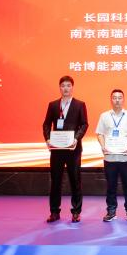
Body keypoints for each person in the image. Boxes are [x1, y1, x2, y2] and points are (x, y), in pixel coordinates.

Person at [42, 76, 88, 223]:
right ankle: (54, 212)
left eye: (68, 85)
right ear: (60, 88)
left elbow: (84, 124)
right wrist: (48, 139)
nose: (66, 88)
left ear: (72, 87)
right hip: (57, 149)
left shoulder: (80, 104)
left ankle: (76, 212)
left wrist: (76, 139)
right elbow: (46, 124)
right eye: (63, 86)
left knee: (75, 180)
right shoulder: (53, 105)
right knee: (56, 181)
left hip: (73, 149)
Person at [97, 89, 127, 222]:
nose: (117, 100)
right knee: (111, 186)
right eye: (114, 98)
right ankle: (111, 211)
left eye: (120, 97)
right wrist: (103, 146)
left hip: (126, 157)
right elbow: (100, 133)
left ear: (123, 99)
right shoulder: (104, 116)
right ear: (111, 100)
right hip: (110, 157)